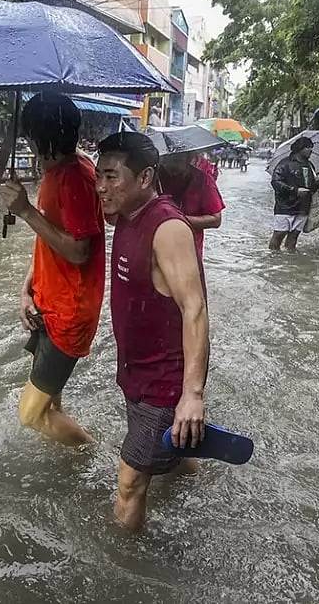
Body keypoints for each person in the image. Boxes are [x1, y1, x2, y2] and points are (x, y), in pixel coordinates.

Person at [95, 132, 211, 533]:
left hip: (163, 381)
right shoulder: (128, 216)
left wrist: (191, 395)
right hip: (136, 371)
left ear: (145, 178)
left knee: (129, 483)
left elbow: (195, 309)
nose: (101, 187)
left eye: (111, 176)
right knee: (173, 455)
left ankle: (123, 566)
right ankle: (203, 488)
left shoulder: (168, 229)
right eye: (98, 176)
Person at [0, 94, 105, 447]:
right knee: (50, 401)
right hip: (48, 302)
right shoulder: (58, 172)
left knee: (30, 414)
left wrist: (26, 211)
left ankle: (92, 451)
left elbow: (77, 251)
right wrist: (26, 288)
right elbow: (50, 241)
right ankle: (63, 467)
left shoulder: (74, 178)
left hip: (69, 313)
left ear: (37, 138)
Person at [158, 150, 225, 260]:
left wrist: (177, 220)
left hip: (189, 251)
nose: (171, 165)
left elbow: (215, 219)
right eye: (167, 159)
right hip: (156, 248)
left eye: (177, 160)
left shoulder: (204, 181)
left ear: (189, 159)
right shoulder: (153, 178)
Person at [270, 136, 319, 252]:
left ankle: (290, 256)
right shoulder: (284, 164)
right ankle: (273, 256)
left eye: (311, 148)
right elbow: (275, 182)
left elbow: (311, 189)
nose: (310, 150)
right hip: (285, 206)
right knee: (279, 233)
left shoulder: (310, 166)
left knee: (294, 235)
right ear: (300, 148)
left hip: (303, 207)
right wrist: (294, 190)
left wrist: (317, 183)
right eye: (308, 147)